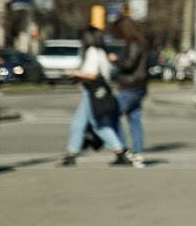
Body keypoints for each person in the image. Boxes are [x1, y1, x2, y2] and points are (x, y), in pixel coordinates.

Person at [61, 27, 129, 167]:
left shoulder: (92, 51)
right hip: (96, 92)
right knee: (78, 123)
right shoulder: (101, 52)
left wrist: (75, 73)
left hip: (92, 92)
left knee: (98, 125)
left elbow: (92, 75)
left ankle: (120, 152)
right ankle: (71, 154)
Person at [111, 16, 150, 167]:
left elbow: (128, 64)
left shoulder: (133, 44)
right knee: (134, 119)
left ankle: (123, 150)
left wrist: (115, 60)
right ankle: (138, 153)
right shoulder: (143, 44)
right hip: (140, 86)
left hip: (129, 87)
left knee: (113, 116)